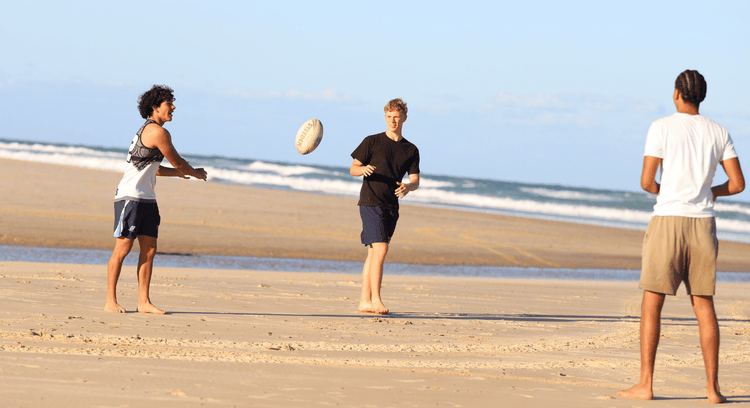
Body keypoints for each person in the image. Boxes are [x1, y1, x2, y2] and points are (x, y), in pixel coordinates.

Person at [618, 70, 744, 403]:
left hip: (668, 221)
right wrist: (710, 192)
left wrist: (668, 192)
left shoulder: (661, 127)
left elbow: (646, 181)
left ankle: (646, 384)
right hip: (703, 224)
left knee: (652, 304)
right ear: (701, 96)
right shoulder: (719, 132)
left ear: (677, 93)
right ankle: (712, 390)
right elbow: (737, 184)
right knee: (704, 306)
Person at [104, 85, 208, 314]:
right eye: (169, 103)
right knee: (122, 249)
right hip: (130, 197)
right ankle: (110, 301)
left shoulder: (154, 130)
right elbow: (178, 161)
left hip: (147, 199)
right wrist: (193, 172)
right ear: (155, 107)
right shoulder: (156, 132)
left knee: (149, 251)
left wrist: (180, 174)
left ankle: (143, 302)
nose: (173, 107)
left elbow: (155, 170)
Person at [350, 98, 420, 314]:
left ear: (404, 118)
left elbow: (415, 180)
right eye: (389, 116)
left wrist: (408, 187)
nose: (393, 120)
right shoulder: (371, 142)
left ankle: (364, 301)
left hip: (391, 205)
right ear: (385, 117)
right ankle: (377, 300)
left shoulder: (410, 149)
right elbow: (353, 168)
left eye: (397, 117)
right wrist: (363, 170)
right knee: (381, 249)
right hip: (370, 201)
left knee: (373, 254)